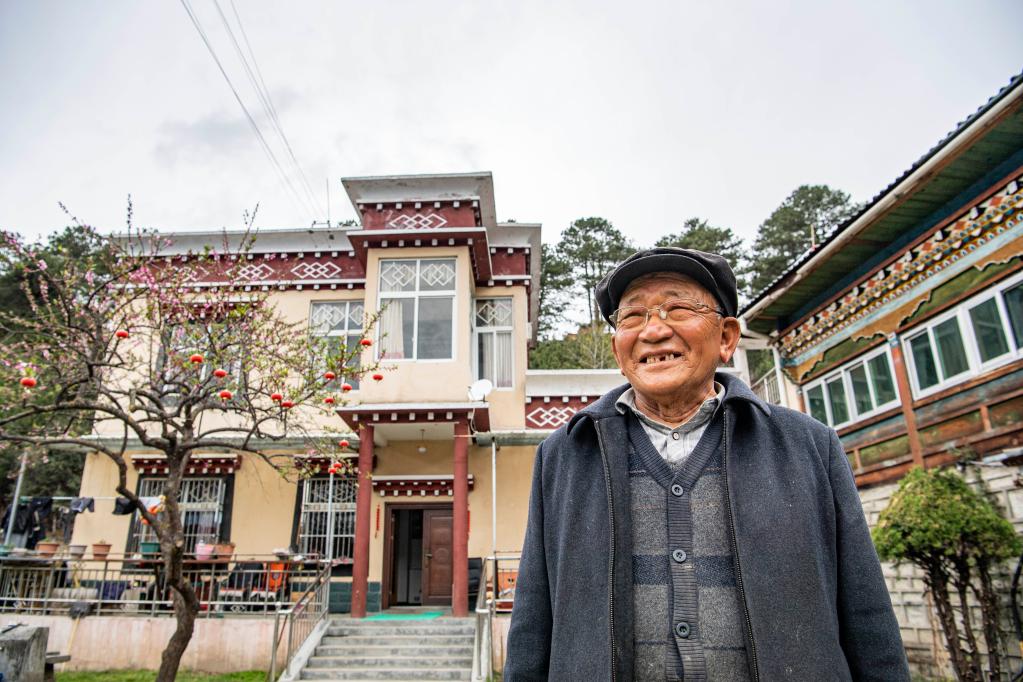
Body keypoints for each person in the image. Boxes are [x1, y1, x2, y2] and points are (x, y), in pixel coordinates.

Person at [504, 247, 909, 681]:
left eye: (678, 309)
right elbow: (532, 626)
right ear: (618, 351)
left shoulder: (809, 446)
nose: (654, 331)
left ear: (727, 338)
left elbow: (867, 619)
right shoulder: (563, 456)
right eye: (633, 317)